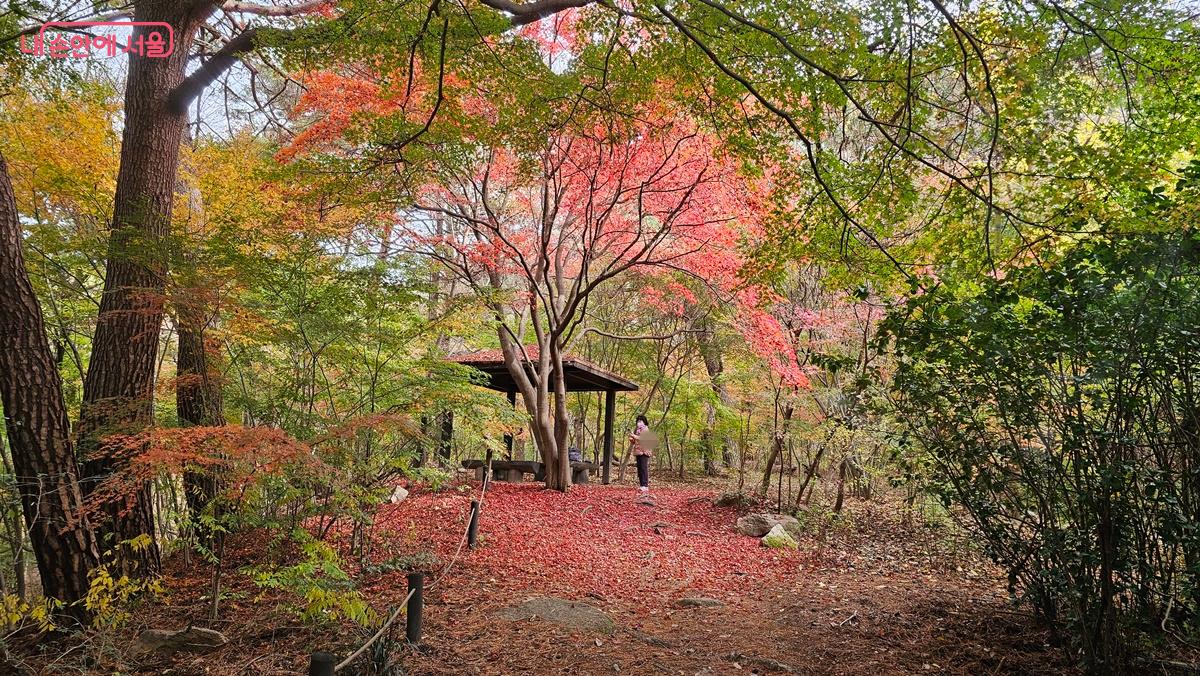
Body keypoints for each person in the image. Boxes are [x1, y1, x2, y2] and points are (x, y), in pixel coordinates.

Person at [629, 414, 654, 494]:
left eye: (641, 421)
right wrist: (632, 439)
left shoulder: (645, 429)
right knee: (639, 468)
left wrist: (634, 436)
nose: (639, 422)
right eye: (638, 421)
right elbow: (636, 440)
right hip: (638, 451)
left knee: (643, 468)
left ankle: (645, 485)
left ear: (644, 421)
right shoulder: (638, 430)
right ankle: (641, 485)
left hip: (644, 451)